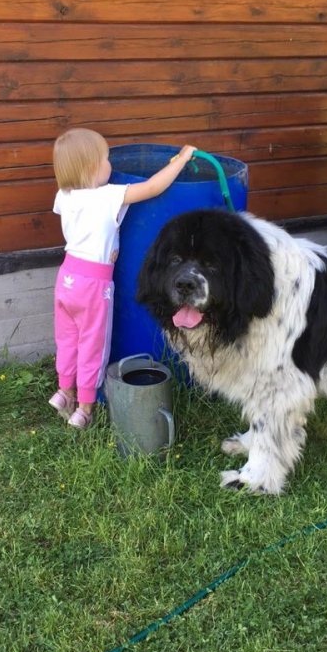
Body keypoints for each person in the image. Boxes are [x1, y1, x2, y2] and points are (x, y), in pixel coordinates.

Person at [48, 128, 196, 429]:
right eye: (105, 159)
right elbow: (153, 188)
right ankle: (86, 407)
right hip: (93, 285)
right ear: (92, 168)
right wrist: (182, 158)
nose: (110, 164)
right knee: (93, 346)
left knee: (68, 339)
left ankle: (65, 391)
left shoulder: (64, 196)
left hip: (66, 279)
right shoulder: (109, 196)